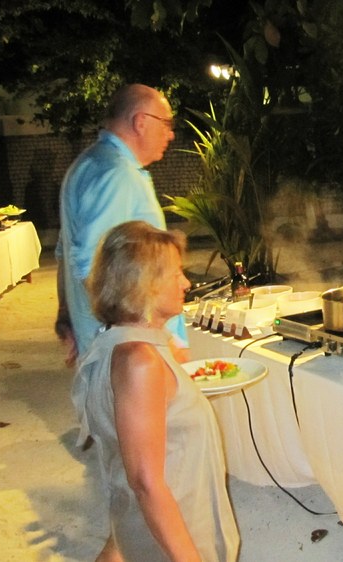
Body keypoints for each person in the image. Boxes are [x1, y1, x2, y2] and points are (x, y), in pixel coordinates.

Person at [72, 220, 240, 561]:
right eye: (176, 273)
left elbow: (131, 461)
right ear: (144, 284)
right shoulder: (139, 362)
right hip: (174, 531)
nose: (187, 282)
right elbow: (146, 484)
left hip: (152, 523)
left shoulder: (122, 343)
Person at [55, 83, 188, 367]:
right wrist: (160, 338)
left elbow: (64, 255)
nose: (171, 133)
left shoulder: (90, 163)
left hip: (114, 345)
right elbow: (95, 267)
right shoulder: (116, 174)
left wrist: (65, 315)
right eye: (166, 123)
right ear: (141, 122)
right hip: (128, 351)